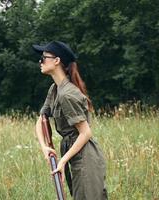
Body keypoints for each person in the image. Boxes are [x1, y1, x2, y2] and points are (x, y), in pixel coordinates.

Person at [33, 41, 108, 200]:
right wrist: (45, 147)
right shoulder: (55, 89)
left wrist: (62, 162)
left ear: (57, 61)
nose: (40, 62)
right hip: (71, 151)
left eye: (43, 58)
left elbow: (86, 133)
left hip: (85, 156)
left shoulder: (67, 94)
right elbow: (41, 119)